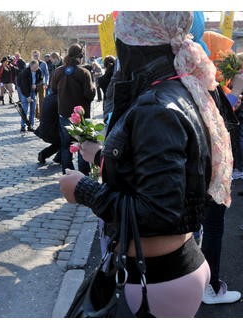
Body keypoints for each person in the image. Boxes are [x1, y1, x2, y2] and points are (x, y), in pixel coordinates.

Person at [59, 12, 234, 317]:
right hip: (166, 272)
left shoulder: (158, 106)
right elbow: (160, 174)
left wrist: (82, 190)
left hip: (156, 281)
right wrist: (101, 156)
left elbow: (158, 211)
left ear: (137, 43)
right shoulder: (176, 88)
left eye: (122, 39)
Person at [189, 12, 242, 305]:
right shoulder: (199, 80)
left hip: (198, 169)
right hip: (208, 169)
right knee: (212, 226)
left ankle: (199, 280)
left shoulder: (177, 76)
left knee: (199, 227)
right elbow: (219, 125)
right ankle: (209, 287)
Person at [51, 43, 95, 175]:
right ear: (79, 57)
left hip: (64, 114)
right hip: (80, 115)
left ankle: (68, 172)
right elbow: (89, 94)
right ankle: (83, 173)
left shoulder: (58, 71)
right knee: (82, 144)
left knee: (66, 145)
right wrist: (93, 87)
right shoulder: (84, 72)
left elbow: (53, 90)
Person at [34, 91, 60, 164]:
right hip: (50, 131)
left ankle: (44, 154)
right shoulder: (59, 99)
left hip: (43, 130)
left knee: (61, 141)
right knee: (67, 139)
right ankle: (59, 157)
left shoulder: (48, 97)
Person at [18, 60, 42, 132]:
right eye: (34, 67)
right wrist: (28, 96)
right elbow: (24, 86)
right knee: (25, 109)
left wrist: (36, 85)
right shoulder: (25, 72)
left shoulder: (38, 71)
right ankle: (23, 126)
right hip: (24, 91)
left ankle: (31, 126)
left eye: (37, 67)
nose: (36, 69)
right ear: (30, 66)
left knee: (33, 109)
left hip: (33, 91)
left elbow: (41, 80)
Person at [31, 50, 49, 119]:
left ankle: (42, 115)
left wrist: (46, 83)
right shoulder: (31, 64)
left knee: (42, 100)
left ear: (39, 55)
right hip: (33, 85)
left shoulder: (43, 63)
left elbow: (47, 74)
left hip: (41, 84)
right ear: (32, 56)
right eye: (34, 55)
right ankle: (36, 115)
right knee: (34, 100)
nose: (36, 57)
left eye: (37, 55)